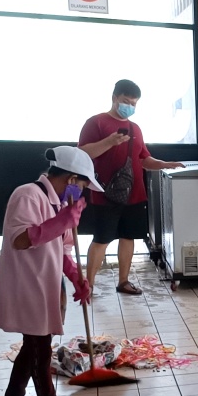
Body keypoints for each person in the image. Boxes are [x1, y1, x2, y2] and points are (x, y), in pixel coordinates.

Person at [0, 147, 100, 396]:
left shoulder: (59, 203)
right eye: (83, 186)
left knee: (35, 343)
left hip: (48, 282)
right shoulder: (27, 194)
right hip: (27, 283)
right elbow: (20, 239)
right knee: (40, 347)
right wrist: (63, 220)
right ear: (72, 179)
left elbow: (62, 249)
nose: (83, 193)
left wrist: (77, 277)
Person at [78, 79, 184, 295]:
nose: (131, 107)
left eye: (134, 103)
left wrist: (166, 165)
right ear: (114, 98)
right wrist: (108, 142)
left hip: (134, 194)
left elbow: (144, 159)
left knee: (129, 236)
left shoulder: (135, 128)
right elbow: (82, 154)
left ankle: (123, 281)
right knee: (102, 239)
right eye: (126, 101)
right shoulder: (95, 123)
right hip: (104, 193)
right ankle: (88, 285)